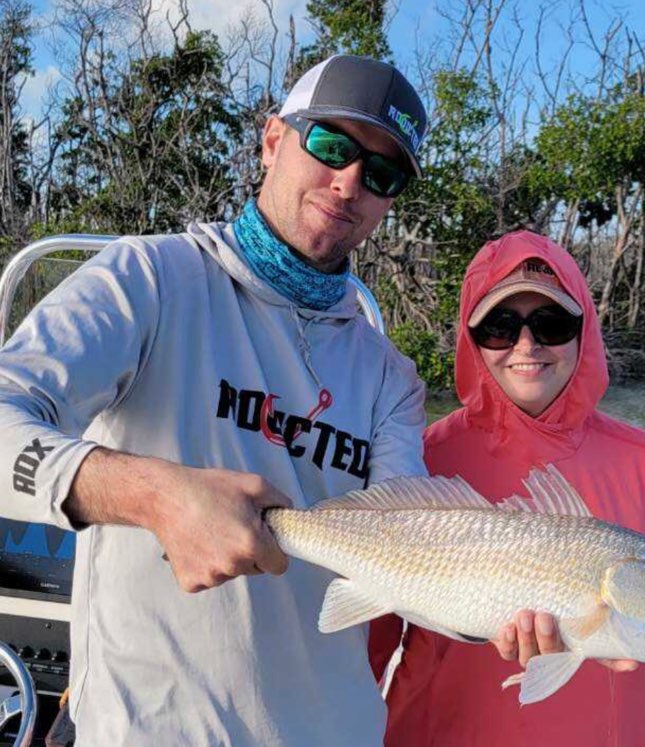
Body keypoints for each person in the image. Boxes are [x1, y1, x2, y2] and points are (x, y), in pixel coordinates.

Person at [0, 54, 432, 746]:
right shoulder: (148, 279)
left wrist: (516, 606)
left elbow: (406, 542)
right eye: (332, 145)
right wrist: (154, 495)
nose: (349, 180)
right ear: (271, 140)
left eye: (380, 174)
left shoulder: (393, 378)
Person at [370, 231, 645, 746]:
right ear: (470, 336)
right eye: (500, 326)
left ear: (582, 331)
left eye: (551, 324)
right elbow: (369, 641)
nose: (527, 345)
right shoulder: (417, 457)